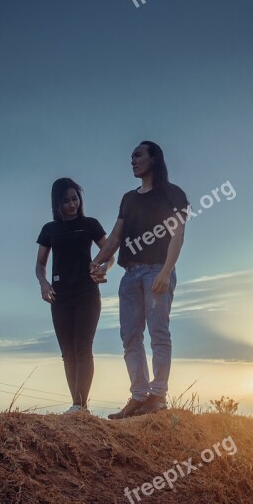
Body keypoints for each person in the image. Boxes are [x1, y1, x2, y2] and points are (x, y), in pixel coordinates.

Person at [91, 141, 188, 419]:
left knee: (159, 333)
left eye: (137, 155)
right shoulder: (128, 198)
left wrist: (166, 272)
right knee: (130, 337)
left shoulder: (173, 194)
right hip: (130, 275)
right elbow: (115, 239)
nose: (132, 161)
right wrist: (96, 262)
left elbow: (177, 236)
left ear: (154, 159)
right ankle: (139, 396)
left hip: (157, 270)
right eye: (131, 157)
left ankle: (158, 396)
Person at [35, 178, 114, 414]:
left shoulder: (90, 224)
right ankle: (78, 405)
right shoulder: (49, 230)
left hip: (86, 293)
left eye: (75, 199)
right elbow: (40, 264)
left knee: (82, 348)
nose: (72, 205)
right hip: (60, 296)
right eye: (66, 201)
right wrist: (43, 282)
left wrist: (104, 267)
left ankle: (80, 405)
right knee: (67, 352)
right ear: (56, 204)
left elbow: (109, 252)